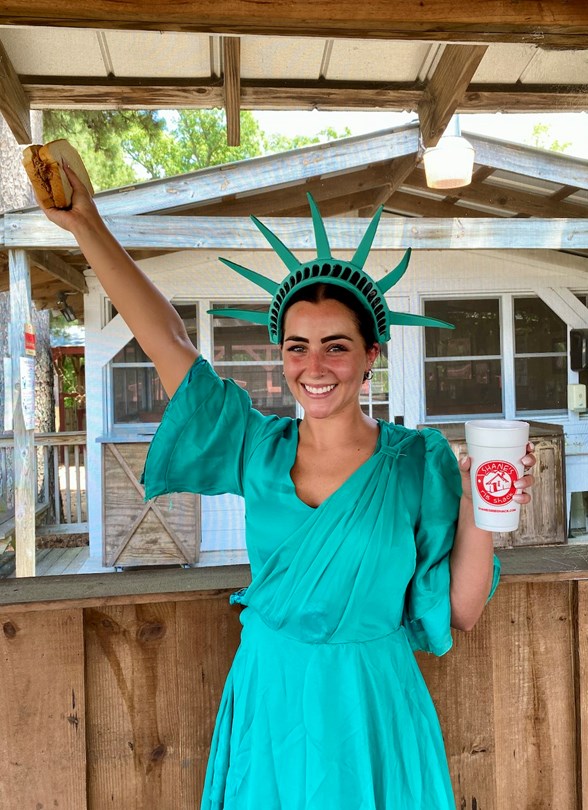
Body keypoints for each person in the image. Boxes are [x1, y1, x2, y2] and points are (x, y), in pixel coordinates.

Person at [39, 167, 535, 809]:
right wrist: (86, 224)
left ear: (370, 355)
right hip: (272, 700)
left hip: (374, 706)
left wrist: (479, 511)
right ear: (282, 355)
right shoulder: (257, 449)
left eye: (336, 346)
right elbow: (170, 340)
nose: (314, 367)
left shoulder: (421, 462)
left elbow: (462, 611)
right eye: (297, 348)